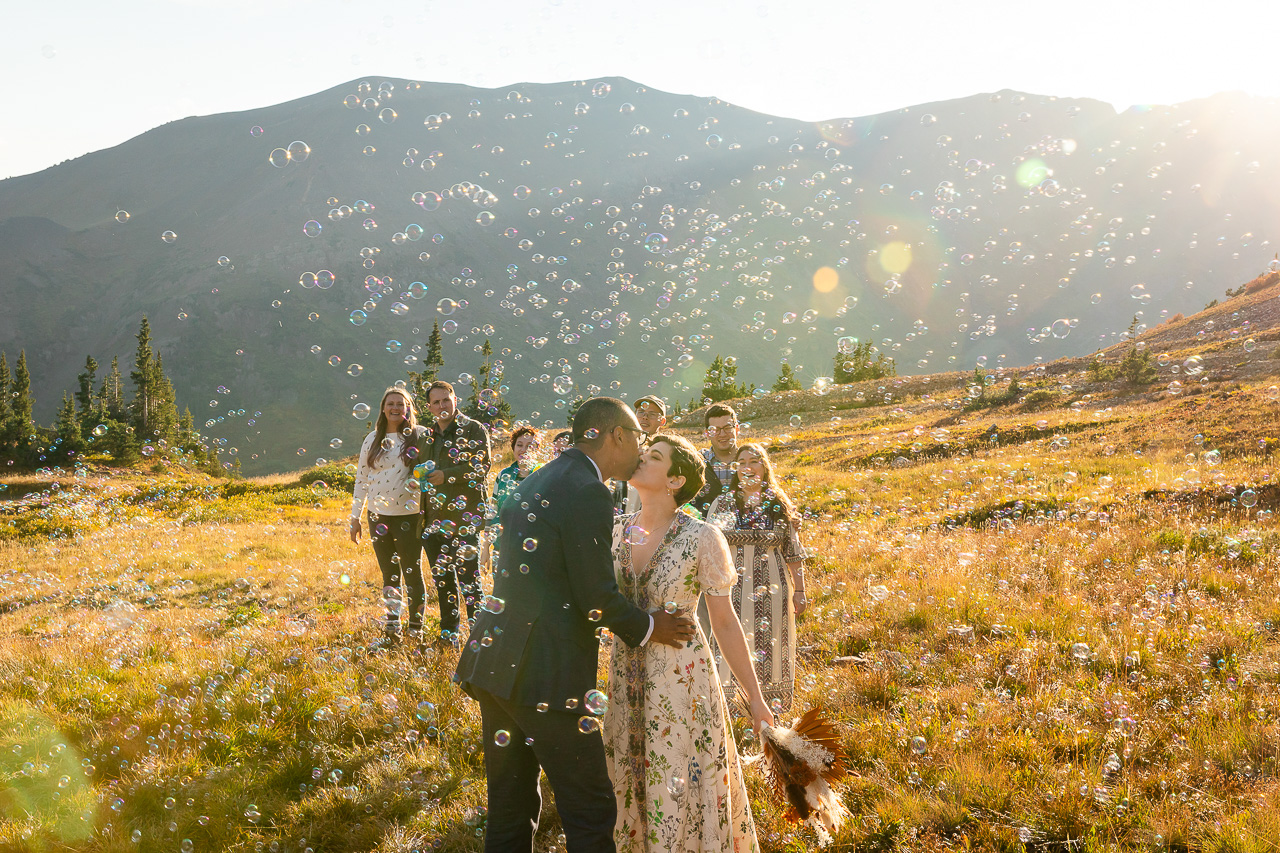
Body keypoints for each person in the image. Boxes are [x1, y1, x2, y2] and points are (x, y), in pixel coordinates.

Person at [454, 398, 697, 853]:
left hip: (495, 660)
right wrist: (650, 626)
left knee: (510, 805)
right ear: (616, 435)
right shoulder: (587, 490)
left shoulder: (541, 477)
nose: (641, 451)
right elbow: (595, 598)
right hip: (546, 674)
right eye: (639, 440)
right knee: (589, 807)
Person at [605, 433, 773, 852]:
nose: (641, 459)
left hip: (681, 681)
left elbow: (725, 622)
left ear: (675, 480)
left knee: (678, 776)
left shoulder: (701, 537)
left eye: (654, 457)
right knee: (628, 771)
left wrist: (755, 698)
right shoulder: (615, 531)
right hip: (624, 673)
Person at [705, 443, 808, 712]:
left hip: (775, 591)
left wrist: (800, 591)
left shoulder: (779, 504)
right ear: (736, 469)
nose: (748, 467)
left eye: (754, 461)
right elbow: (708, 546)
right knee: (731, 643)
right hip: (731, 591)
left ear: (765, 467)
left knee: (773, 646)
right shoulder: (723, 503)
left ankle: (771, 708)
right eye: (742, 462)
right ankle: (733, 708)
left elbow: (793, 552)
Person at [349, 386, 430, 639]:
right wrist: (355, 517)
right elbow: (362, 479)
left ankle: (416, 628)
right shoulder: (372, 439)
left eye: (401, 403)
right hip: (377, 516)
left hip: (409, 515)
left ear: (408, 408)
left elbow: (431, 470)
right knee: (389, 573)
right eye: (390, 403)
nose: (395, 407)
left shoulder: (419, 436)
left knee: (412, 572)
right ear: (383, 408)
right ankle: (392, 625)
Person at [420, 380, 492, 640]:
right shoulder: (428, 436)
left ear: (455, 399)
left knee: (470, 583)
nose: (442, 405)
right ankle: (448, 634)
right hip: (433, 521)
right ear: (429, 407)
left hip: (464, 518)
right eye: (436, 402)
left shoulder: (473, 429)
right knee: (443, 583)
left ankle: (479, 638)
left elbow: (481, 466)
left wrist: (445, 476)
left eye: (446, 400)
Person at [612, 395, 666, 514]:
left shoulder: (666, 454)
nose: (645, 417)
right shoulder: (619, 445)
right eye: (641, 412)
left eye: (652, 414)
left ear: (662, 421)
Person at [693, 403, 739, 517]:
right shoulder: (696, 463)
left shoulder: (750, 461)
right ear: (707, 433)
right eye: (715, 430)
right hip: (706, 531)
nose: (722, 434)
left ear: (737, 429)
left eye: (727, 428)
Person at [493, 426, 539, 513]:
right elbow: (495, 507)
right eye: (519, 445)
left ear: (537, 450)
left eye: (529, 446)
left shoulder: (542, 475)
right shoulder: (503, 475)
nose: (523, 450)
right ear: (513, 447)